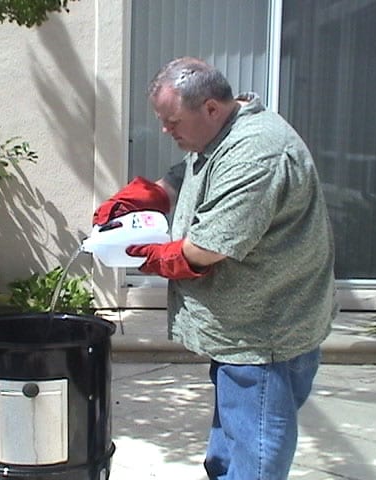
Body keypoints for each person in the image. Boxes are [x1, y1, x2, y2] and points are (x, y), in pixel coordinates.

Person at [93, 57, 337, 480]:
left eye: (173, 122)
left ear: (209, 107)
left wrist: (146, 255)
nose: (167, 132)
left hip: (265, 336)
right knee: (229, 447)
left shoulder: (256, 153)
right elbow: (186, 176)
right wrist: (146, 197)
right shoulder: (219, 132)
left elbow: (205, 250)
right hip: (241, 329)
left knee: (256, 455)